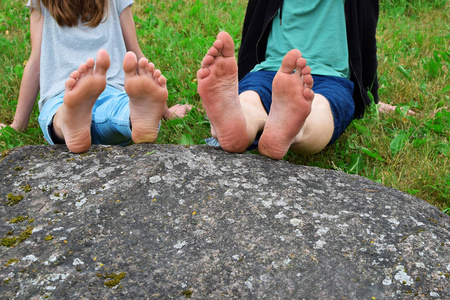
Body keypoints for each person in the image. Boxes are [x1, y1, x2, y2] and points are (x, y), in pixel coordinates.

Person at [197, 0, 380, 160]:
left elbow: (366, 40)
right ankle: (259, 126)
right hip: (287, 72)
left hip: (315, 75)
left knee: (255, 98)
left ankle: (256, 122)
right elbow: (253, 26)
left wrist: (373, 97)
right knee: (319, 108)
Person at [1, 0, 191, 153]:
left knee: (57, 116)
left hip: (62, 94)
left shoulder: (42, 2)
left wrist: (17, 125)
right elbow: (135, 53)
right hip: (113, 90)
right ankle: (131, 118)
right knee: (116, 112)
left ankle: (69, 120)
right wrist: (166, 113)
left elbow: (35, 64)